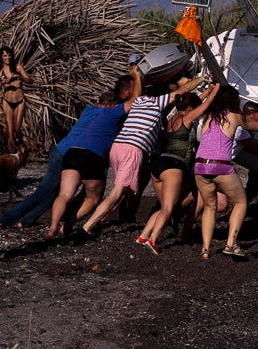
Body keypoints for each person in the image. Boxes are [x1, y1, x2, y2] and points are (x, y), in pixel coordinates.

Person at [0, 74, 135, 229]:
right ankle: (6, 219)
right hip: (67, 154)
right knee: (42, 193)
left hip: (61, 150)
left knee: (55, 195)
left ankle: (26, 221)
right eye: (114, 105)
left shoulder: (89, 109)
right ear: (108, 104)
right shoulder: (103, 114)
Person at [79, 74, 204, 236]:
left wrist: (137, 75)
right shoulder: (157, 102)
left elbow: (138, 91)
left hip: (117, 147)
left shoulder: (138, 101)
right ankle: (88, 226)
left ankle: (99, 221)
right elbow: (183, 90)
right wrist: (202, 79)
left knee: (124, 191)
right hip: (133, 149)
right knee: (117, 192)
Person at [47, 70, 141, 238]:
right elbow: (135, 100)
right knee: (93, 198)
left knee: (64, 194)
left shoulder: (100, 113)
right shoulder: (115, 111)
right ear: (125, 93)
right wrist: (137, 77)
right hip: (92, 156)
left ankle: (53, 226)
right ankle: (67, 225)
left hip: (73, 152)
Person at [193, 84, 258, 259]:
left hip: (200, 166)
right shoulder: (235, 116)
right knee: (240, 203)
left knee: (209, 207)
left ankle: (205, 250)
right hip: (220, 166)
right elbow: (257, 127)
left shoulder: (208, 116)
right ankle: (231, 244)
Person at [136, 82, 219, 254]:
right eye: (192, 108)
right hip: (173, 166)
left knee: (164, 207)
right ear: (189, 109)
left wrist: (206, 91)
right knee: (168, 208)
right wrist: (216, 89)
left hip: (159, 164)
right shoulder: (186, 119)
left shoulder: (173, 117)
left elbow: (193, 103)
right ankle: (153, 240)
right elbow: (204, 106)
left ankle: (143, 235)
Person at [0, 46, 32, 152]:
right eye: (5, 56)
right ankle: (12, 155)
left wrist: (20, 77)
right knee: (10, 132)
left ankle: (21, 145)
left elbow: (30, 80)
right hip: (7, 101)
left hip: (19, 100)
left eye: (9, 55)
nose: (7, 58)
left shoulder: (17, 67)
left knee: (17, 128)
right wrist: (2, 83)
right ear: (1, 57)